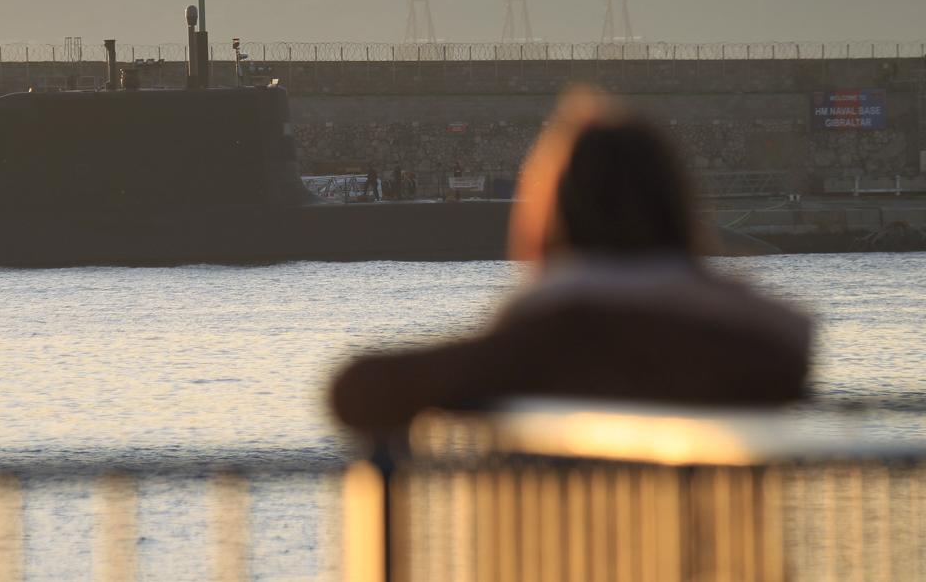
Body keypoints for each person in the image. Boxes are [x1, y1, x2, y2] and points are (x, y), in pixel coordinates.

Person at [330, 88, 811, 435]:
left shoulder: (543, 338)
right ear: (675, 204)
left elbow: (357, 389)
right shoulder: (764, 340)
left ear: (551, 213)